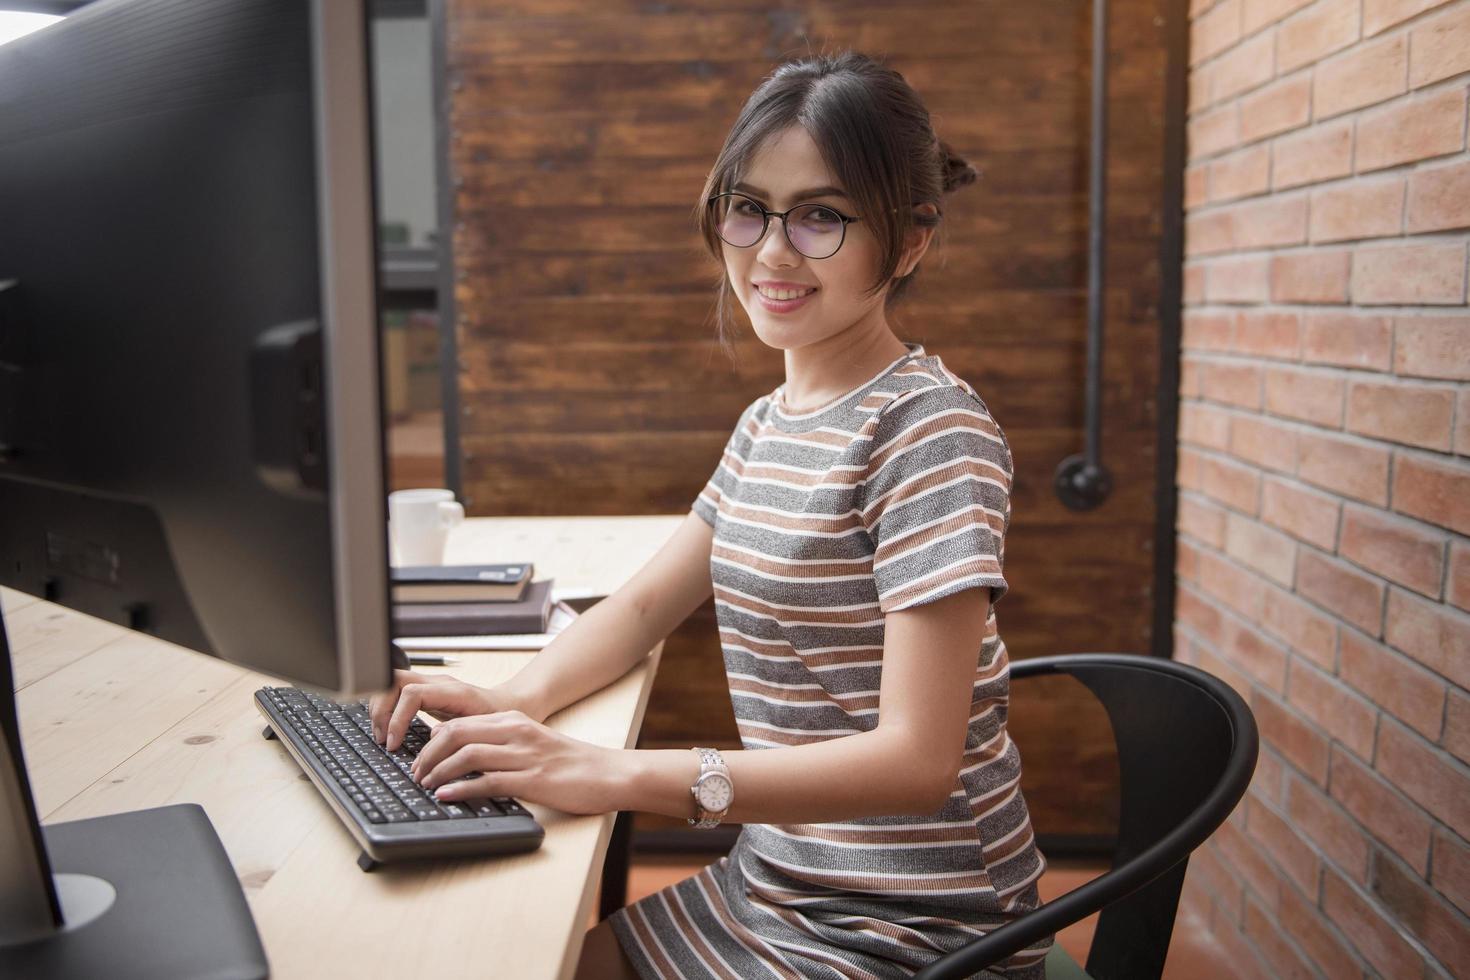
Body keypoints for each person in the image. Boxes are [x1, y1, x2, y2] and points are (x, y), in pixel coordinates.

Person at [369, 50, 1052, 979]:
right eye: (748, 207)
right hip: (777, 877)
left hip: (920, 923)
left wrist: (617, 775)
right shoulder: (769, 421)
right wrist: (510, 701)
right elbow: (646, 606)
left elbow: (917, 761)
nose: (771, 251)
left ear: (911, 239)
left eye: (820, 216)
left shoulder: (932, 431)